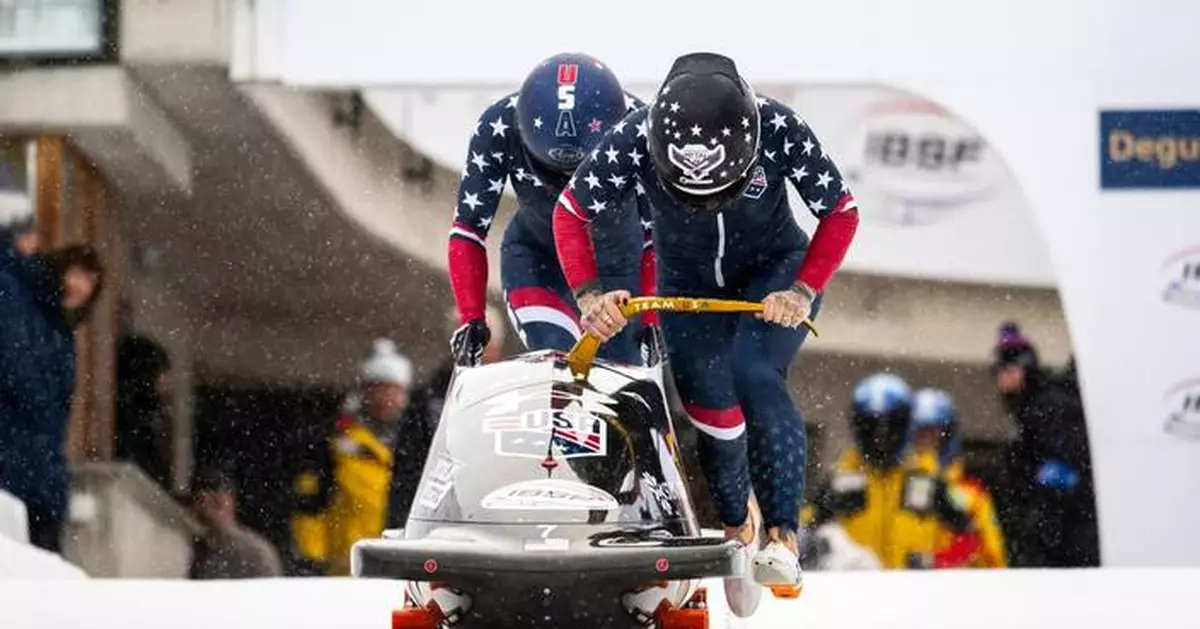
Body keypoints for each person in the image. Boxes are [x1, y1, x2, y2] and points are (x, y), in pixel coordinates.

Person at [552, 52, 860, 614]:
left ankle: (782, 539)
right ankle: (738, 524)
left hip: (773, 272)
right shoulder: (633, 138)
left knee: (754, 372)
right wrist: (590, 296)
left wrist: (803, 290)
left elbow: (840, 211)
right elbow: (570, 212)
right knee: (710, 414)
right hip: (685, 282)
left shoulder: (781, 127)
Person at [447, 51, 656, 368]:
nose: (566, 187)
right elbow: (469, 229)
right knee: (558, 365)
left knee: (616, 381)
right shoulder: (498, 125)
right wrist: (472, 316)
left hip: (620, 276)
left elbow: (657, 235)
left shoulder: (642, 133)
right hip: (539, 262)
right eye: (554, 173)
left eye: (578, 175)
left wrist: (652, 319)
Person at [0, 219, 103, 554]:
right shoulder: (14, 291)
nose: (82, 287)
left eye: (91, 283)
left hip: (39, 469)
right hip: (15, 458)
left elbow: (57, 410)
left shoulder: (60, 332)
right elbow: (15, 368)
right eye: (79, 274)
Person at [805, 374, 974, 570]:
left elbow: (969, 537)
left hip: (914, 593)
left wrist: (934, 561)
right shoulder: (841, 480)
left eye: (891, 427)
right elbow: (807, 531)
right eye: (871, 428)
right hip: (855, 591)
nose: (881, 439)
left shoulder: (927, 479)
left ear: (906, 424)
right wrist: (831, 556)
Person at [290, 339, 418, 575]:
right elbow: (312, 504)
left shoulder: (414, 441)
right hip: (344, 567)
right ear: (366, 392)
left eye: (394, 389)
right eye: (380, 388)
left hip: (396, 562)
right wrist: (311, 557)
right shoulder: (337, 442)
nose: (387, 397)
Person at [385, 305, 506, 529]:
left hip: (498, 511)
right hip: (444, 516)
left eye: (487, 345)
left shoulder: (513, 394)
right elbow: (408, 470)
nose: (480, 353)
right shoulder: (428, 400)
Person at [991, 323, 1098, 567]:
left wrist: (1044, 507)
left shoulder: (1046, 406)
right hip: (1056, 533)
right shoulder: (1029, 408)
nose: (1003, 375)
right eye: (999, 368)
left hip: (1068, 536)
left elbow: (1072, 465)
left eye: (1010, 366)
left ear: (1026, 367)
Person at [910, 388, 1007, 568]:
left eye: (931, 433)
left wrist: (935, 562)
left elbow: (990, 553)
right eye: (918, 434)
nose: (924, 442)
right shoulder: (896, 486)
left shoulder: (971, 494)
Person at [190, 468, 282, 579]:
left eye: (216, 496)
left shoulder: (255, 551)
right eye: (200, 497)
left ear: (232, 499)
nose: (207, 500)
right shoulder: (190, 545)